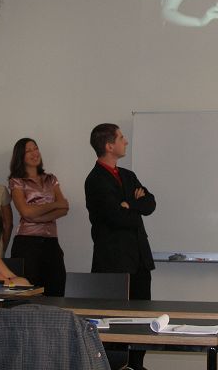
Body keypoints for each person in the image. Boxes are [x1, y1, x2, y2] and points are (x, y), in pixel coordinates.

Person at [85, 123, 156, 370]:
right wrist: (132, 206)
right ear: (109, 146)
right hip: (113, 265)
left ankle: (137, 366)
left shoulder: (127, 175)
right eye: (121, 137)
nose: (125, 141)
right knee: (115, 322)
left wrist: (130, 205)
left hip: (139, 261)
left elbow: (150, 203)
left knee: (143, 321)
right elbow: (115, 217)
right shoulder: (95, 180)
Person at [8, 138, 69, 296]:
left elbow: (64, 208)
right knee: (28, 293)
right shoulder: (17, 181)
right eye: (28, 151)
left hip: (51, 242)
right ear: (20, 156)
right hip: (27, 243)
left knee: (56, 289)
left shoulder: (51, 179)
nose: (34, 153)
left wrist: (39, 216)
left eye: (35, 148)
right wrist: (54, 205)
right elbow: (26, 212)